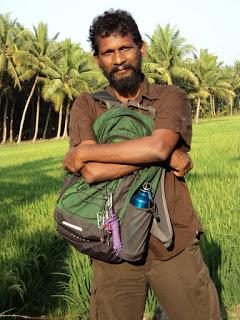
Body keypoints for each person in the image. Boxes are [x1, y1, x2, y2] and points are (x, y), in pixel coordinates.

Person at [64, 9, 221, 320]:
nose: (119, 59)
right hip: (112, 246)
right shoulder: (87, 105)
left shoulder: (169, 97)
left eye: (125, 48)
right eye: (108, 52)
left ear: (141, 48)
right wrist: (160, 156)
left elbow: (158, 145)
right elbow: (92, 172)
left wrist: (90, 153)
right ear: (98, 60)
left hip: (172, 241)